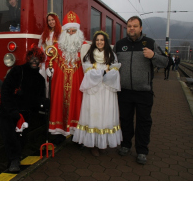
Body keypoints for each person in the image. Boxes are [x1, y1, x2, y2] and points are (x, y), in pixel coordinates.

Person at [113, 16, 168, 165]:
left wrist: (153, 56)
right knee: (125, 120)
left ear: (141, 28)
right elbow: (111, 64)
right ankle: (125, 145)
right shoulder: (119, 45)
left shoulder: (150, 43)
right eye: (129, 26)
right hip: (124, 91)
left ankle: (142, 151)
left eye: (135, 26)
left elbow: (165, 62)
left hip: (144, 91)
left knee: (143, 122)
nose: (131, 28)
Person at [72, 31, 122, 156]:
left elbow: (115, 72)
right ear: (94, 42)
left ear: (105, 42)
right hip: (93, 91)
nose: (100, 42)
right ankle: (93, 145)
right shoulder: (89, 56)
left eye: (102, 40)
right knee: (94, 115)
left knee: (105, 115)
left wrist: (105, 74)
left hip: (107, 91)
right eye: (97, 40)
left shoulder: (112, 55)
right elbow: (88, 73)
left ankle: (103, 142)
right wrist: (103, 73)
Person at [0, 46, 46, 172]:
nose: (35, 61)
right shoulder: (17, 71)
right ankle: (14, 160)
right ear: (28, 59)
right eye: (32, 58)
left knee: (22, 137)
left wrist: (43, 105)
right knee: (10, 135)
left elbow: (39, 98)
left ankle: (16, 157)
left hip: (25, 113)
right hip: (9, 110)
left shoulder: (40, 80)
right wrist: (11, 110)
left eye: (38, 59)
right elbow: (5, 91)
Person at [46, 11, 86, 144]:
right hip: (60, 85)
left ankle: (77, 137)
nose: (70, 33)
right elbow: (49, 60)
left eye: (73, 31)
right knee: (59, 106)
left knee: (78, 109)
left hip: (77, 86)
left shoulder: (85, 47)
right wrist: (48, 69)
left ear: (78, 31)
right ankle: (60, 134)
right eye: (68, 30)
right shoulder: (57, 47)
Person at [38, 12, 62, 97]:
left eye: (53, 20)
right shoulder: (44, 34)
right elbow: (40, 48)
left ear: (56, 20)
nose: (51, 22)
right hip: (45, 63)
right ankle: (46, 102)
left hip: (57, 62)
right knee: (45, 82)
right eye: (49, 20)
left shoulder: (62, 34)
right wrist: (40, 62)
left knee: (55, 83)